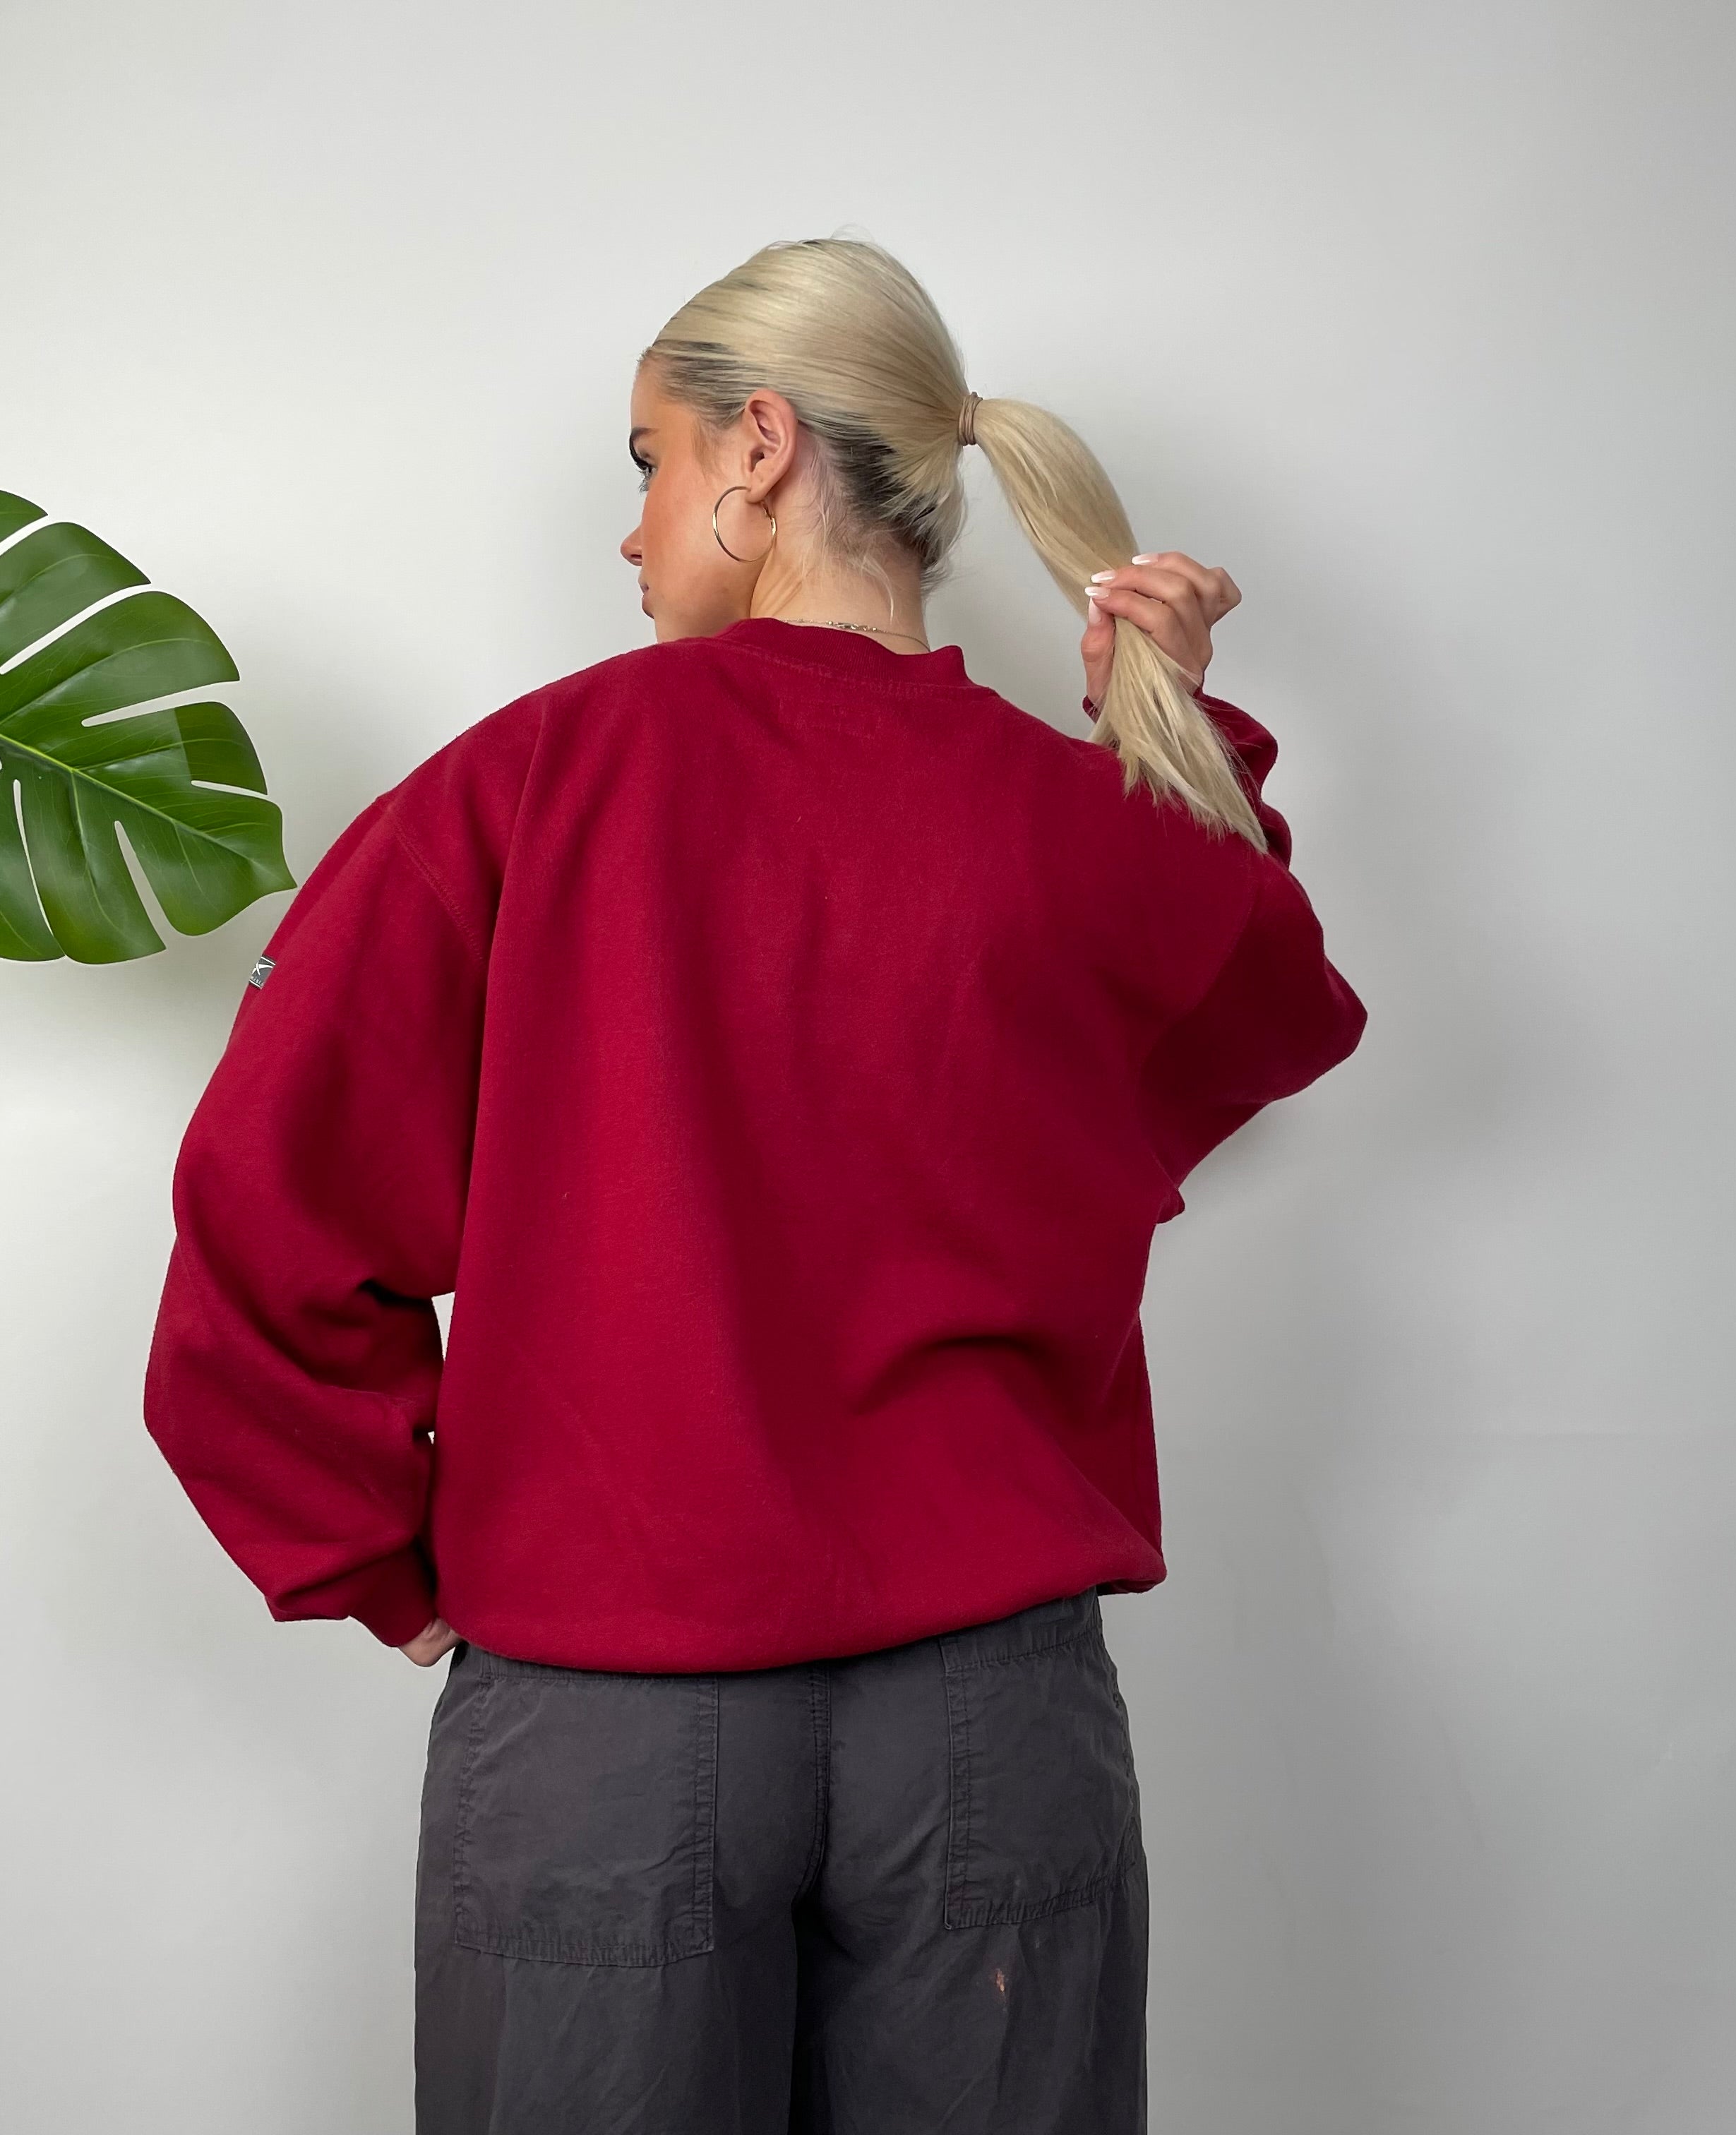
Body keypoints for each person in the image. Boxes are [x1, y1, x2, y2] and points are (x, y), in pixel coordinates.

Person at [142, 234, 1367, 2134]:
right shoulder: (1064, 822)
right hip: (996, 1726)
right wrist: (1178, 730)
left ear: (763, 450)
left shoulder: (526, 784)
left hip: (610, 1714)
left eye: (647, 462)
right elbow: (1248, 1003)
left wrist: (373, 1558)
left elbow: (272, 1206)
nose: (630, 534)